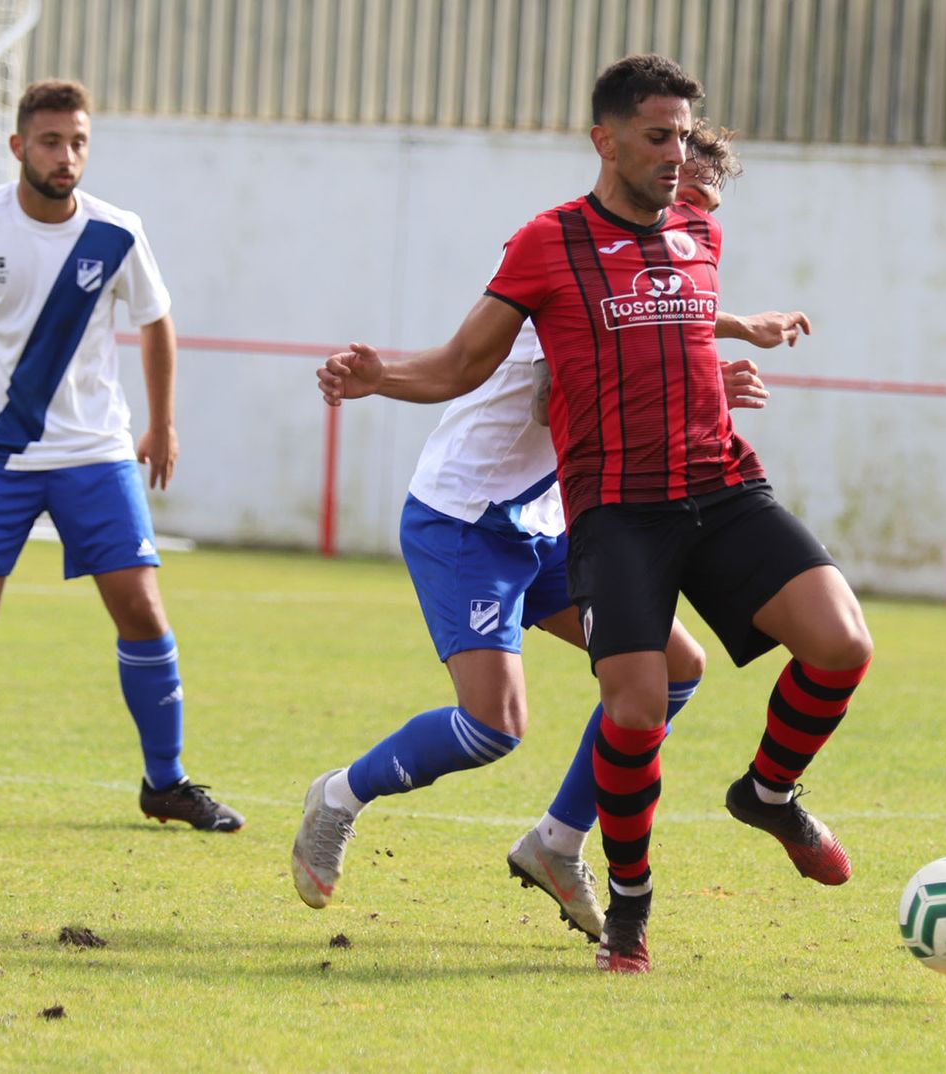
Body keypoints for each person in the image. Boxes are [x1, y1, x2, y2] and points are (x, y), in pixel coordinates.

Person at [316, 55, 873, 974]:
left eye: (684, 138)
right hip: (612, 510)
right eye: (658, 136)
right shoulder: (548, 244)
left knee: (842, 643)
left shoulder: (697, 228)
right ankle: (627, 910)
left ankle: (769, 793)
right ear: (604, 139)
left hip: (721, 485)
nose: (674, 153)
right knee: (630, 707)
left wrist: (729, 346)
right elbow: (471, 366)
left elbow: (673, 311)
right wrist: (382, 378)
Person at [0, 79, 241, 832]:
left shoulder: (116, 231)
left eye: (79, 142)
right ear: (19, 146)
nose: (68, 156)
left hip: (95, 454)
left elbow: (156, 321)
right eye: (52, 141)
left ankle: (166, 781)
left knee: (142, 609)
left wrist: (161, 422)